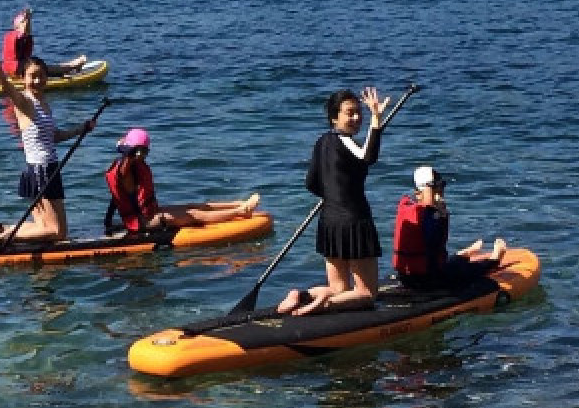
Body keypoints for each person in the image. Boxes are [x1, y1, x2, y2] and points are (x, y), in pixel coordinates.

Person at [277, 86, 390, 316]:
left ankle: (302, 295)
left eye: (360, 112)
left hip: (329, 221)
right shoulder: (345, 141)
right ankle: (322, 304)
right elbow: (368, 157)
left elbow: (311, 183)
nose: (357, 117)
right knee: (368, 294)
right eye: (350, 113)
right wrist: (376, 120)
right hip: (354, 221)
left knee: (339, 289)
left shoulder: (321, 142)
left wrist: (333, 196)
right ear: (334, 117)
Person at [0, 38, 96, 245]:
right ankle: (4, 238)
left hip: (51, 168)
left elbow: (54, 136)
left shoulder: (44, 104)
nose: (38, 81)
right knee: (56, 232)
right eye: (32, 76)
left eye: (42, 76)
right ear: (23, 78)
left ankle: (2, 229)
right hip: (40, 171)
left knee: (55, 230)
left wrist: (80, 130)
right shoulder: (25, 102)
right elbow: (4, 86)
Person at [103, 127, 260, 234]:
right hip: (143, 222)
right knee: (193, 215)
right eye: (142, 151)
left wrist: (108, 222)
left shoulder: (127, 164)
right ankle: (242, 211)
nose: (143, 155)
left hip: (149, 212)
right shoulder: (126, 171)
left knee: (192, 206)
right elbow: (124, 193)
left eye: (145, 151)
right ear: (133, 151)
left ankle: (239, 203)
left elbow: (116, 199)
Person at [392, 165, 506, 292]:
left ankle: (463, 255)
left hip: (409, 276)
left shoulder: (411, 209)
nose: (440, 191)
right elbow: (433, 243)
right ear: (418, 194)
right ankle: (494, 259)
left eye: (441, 186)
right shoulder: (427, 215)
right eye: (434, 187)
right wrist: (440, 216)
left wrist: (438, 213)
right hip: (427, 279)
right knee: (466, 271)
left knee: (450, 264)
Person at [0, 8, 87, 79]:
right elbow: (21, 34)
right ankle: (73, 66)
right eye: (23, 22)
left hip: (15, 69)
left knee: (44, 66)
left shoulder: (24, 37)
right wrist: (27, 18)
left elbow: (26, 55)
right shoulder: (13, 35)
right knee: (44, 68)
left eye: (26, 22)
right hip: (15, 70)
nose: (26, 24)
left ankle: (70, 66)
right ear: (17, 26)